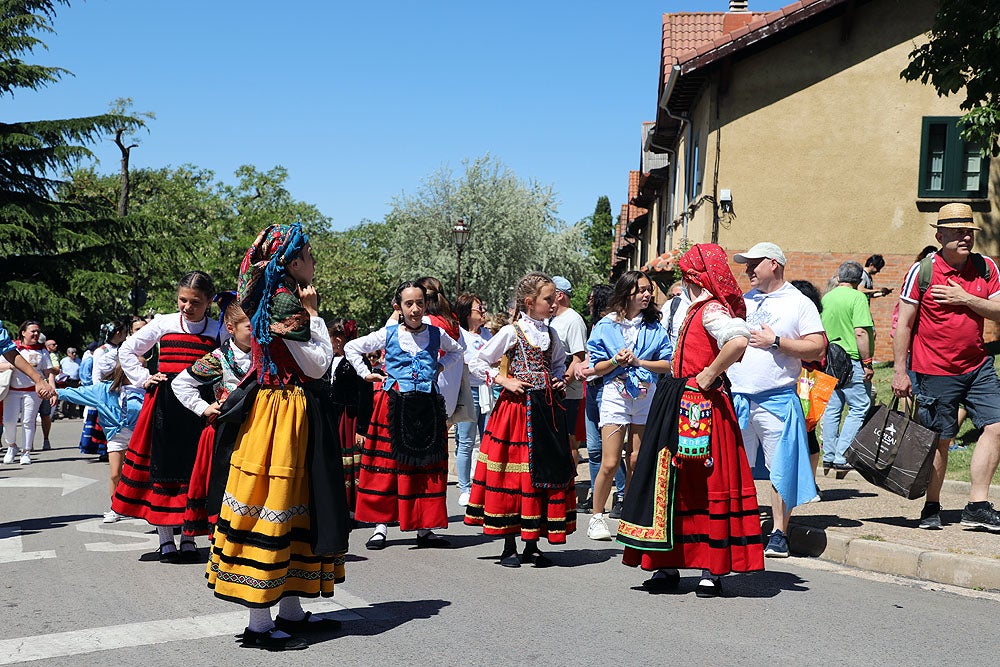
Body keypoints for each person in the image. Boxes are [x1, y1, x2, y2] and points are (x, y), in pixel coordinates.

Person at [207, 223, 350, 651]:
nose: (313, 260)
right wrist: (317, 315)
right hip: (282, 412)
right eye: (308, 253)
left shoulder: (276, 295)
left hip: (280, 410)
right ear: (290, 260)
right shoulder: (286, 299)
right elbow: (318, 365)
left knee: (290, 508)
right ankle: (259, 624)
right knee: (274, 504)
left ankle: (289, 612)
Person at [618, 243, 764, 597]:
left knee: (703, 480)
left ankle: (709, 568)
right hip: (676, 399)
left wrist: (709, 374)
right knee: (672, 482)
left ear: (694, 277)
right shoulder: (690, 307)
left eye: (685, 275)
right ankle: (667, 563)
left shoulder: (712, 310)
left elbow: (739, 341)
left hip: (702, 405)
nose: (682, 281)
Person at [892, 203, 1000, 531]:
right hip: (935, 370)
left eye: (969, 231)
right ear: (940, 235)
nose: (965, 237)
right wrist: (899, 370)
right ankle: (932, 505)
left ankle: (977, 504)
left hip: (978, 365)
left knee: (997, 426)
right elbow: (904, 325)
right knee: (940, 439)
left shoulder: (986, 268)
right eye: (957, 232)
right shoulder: (923, 271)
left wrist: (964, 298)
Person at [464, 271, 577, 567]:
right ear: (530, 302)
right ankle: (509, 544)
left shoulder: (552, 334)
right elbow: (476, 360)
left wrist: (558, 381)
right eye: (548, 299)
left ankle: (532, 541)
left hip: (546, 411)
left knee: (542, 474)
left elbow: (556, 366)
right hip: (516, 411)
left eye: (554, 299)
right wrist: (504, 380)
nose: (554, 304)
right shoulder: (511, 332)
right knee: (514, 475)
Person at [112, 272, 222, 563]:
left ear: (209, 301)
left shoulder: (218, 329)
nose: (187, 307)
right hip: (164, 405)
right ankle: (165, 539)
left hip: (199, 406)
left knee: (192, 469)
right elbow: (127, 348)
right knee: (163, 467)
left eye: (195, 302)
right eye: (183, 300)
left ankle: (188, 537)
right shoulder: (164, 322)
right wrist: (143, 377)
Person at [345, 280, 463, 550]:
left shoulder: (436, 334)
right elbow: (352, 347)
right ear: (399, 307)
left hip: (426, 406)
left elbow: (458, 351)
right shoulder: (387, 334)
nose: (415, 309)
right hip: (394, 406)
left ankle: (424, 528)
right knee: (387, 467)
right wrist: (366, 373)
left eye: (420, 303)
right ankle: (380, 527)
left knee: (425, 468)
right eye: (409, 304)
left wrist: (440, 367)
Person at [728, 242, 826, 558]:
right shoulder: (743, 302)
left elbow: (817, 347)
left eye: (753, 263)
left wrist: (777, 342)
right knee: (734, 468)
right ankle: (736, 526)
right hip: (738, 398)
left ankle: (779, 533)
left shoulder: (799, 303)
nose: (747, 270)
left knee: (780, 469)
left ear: (774, 264)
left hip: (777, 400)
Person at [585, 271, 672, 541]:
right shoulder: (606, 325)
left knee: (636, 458)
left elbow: (668, 363)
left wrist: (639, 362)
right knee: (610, 462)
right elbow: (595, 368)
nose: (647, 295)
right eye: (641, 291)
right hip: (615, 393)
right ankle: (597, 517)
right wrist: (615, 361)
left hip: (646, 394)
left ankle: (630, 515)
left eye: (649, 290)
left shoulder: (655, 327)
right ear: (627, 293)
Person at [172, 300, 253, 537]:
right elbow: (181, 383)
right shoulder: (218, 358)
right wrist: (203, 407)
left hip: (256, 432)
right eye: (249, 326)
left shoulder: (266, 355)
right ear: (231, 328)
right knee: (225, 486)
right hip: (226, 434)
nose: (256, 331)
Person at [58, 363, 144, 522]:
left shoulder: (147, 389)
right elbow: (79, 393)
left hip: (140, 436)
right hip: (116, 435)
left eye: (144, 367)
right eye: (138, 367)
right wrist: (54, 392)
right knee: (115, 474)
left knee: (141, 474)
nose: (143, 371)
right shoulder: (104, 390)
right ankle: (115, 508)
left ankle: (144, 508)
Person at [575, 284, 625, 514]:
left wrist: (589, 368)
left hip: (606, 388)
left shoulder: (613, 324)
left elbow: (610, 359)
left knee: (611, 451)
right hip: (592, 387)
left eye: (592, 298)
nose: (588, 302)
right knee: (594, 448)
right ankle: (598, 494)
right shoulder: (596, 324)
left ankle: (622, 496)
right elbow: (592, 357)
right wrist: (583, 366)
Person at [820, 261, 874, 472]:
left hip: (830, 360)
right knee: (860, 406)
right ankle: (842, 456)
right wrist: (867, 363)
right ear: (859, 279)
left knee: (833, 408)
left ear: (839, 276)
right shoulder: (858, 297)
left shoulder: (827, 297)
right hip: (852, 360)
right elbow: (860, 332)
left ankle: (829, 454)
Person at [326, 317, 373, 516]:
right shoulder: (329, 359)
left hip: (351, 418)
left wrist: (362, 429)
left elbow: (365, 396)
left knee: (353, 462)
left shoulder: (358, 361)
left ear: (338, 339)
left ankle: (355, 507)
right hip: (335, 416)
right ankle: (340, 504)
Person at [454, 293, 491, 507]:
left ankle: (483, 484)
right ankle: (465, 487)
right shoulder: (459, 334)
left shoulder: (487, 333)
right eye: (479, 308)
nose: (483, 312)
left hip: (487, 391)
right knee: (466, 441)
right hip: (468, 391)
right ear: (467, 312)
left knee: (487, 440)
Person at [3, 321, 57, 465]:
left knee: (28, 421)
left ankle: (26, 452)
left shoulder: (41, 351)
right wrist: (10, 365)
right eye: (32, 331)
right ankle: (11, 446)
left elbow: (49, 372)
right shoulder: (11, 347)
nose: (36, 334)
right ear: (23, 332)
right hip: (12, 391)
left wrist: (52, 390)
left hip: (33, 392)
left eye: (37, 331)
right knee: (9, 420)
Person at [549, 276, 589, 463]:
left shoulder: (573, 320)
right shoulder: (552, 319)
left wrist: (564, 383)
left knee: (569, 439)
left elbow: (578, 358)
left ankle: (569, 487)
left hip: (568, 393)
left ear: (559, 295)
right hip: (555, 389)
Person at [661, 280, 690, 351]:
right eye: (672, 295)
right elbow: (662, 330)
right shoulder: (669, 305)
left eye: (679, 295)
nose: (676, 299)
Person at [58, 347, 81, 418]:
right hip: (66, 381)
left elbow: (81, 371)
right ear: (68, 354)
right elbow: (60, 370)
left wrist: (81, 379)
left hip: (75, 381)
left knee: (73, 397)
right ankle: (62, 412)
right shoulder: (64, 361)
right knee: (64, 397)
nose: (74, 354)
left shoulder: (79, 361)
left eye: (75, 352)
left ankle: (72, 412)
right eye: (72, 352)